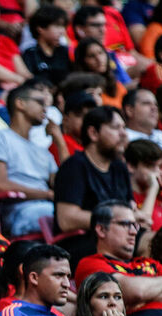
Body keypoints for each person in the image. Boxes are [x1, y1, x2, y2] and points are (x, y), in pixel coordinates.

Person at [76, 201, 162, 316]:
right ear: (101, 230)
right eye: (126, 224)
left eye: (135, 225)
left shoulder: (149, 263)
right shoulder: (91, 263)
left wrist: (144, 295)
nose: (134, 232)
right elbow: (136, 291)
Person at [54, 106, 132, 260]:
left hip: (119, 238)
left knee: (160, 242)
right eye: (116, 128)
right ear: (93, 133)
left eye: (124, 127)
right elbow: (66, 219)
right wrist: (115, 223)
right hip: (83, 243)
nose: (124, 134)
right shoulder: (74, 166)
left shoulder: (120, 167)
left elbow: (130, 208)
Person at [0, 81, 57, 237]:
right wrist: (47, 195)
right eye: (39, 102)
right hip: (19, 211)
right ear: (20, 103)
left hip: (46, 207)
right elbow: (0, 185)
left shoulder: (42, 151)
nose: (45, 109)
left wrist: (59, 141)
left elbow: (61, 185)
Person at [124, 87, 162, 156]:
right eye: (146, 103)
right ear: (129, 110)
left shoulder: (161, 135)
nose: (154, 108)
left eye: (156, 104)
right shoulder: (123, 137)